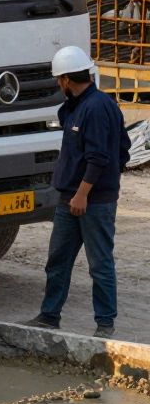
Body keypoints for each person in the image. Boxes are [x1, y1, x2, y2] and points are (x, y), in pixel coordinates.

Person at [24, 46, 129, 339]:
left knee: (100, 264)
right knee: (58, 260)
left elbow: (99, 157)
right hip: (71, 197)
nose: (59, 84)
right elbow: (122, 150)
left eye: (60, 79)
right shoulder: (81, 106)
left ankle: (105, 324)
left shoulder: (95, 108)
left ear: (67, 79)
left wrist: (84, 194)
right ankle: (49, 315)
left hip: (90, 200)